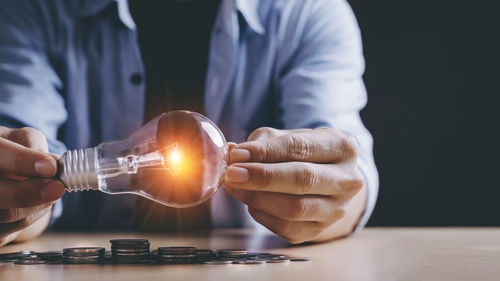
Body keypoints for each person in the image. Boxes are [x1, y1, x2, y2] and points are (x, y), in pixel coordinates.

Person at [0, 0, 378, 246]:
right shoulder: (34, 10)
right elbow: (20, 151)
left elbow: (344, 163)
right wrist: (17, 201)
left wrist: (331, 194)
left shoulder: (307, 11)